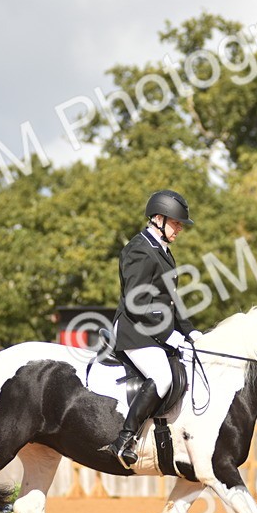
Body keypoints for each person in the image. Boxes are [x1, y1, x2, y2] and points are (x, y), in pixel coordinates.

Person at [99, 190, 202, 468]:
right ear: (158, 218)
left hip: (153, 329)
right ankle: (125, 439)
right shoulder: (139, 249)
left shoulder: (163, 251)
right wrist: (168, 334)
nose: (180, 228)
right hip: (135, 329)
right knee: (162, 376)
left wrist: (190, 332)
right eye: (176, 223)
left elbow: (172, 299)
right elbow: (136, 302)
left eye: (180, 224)